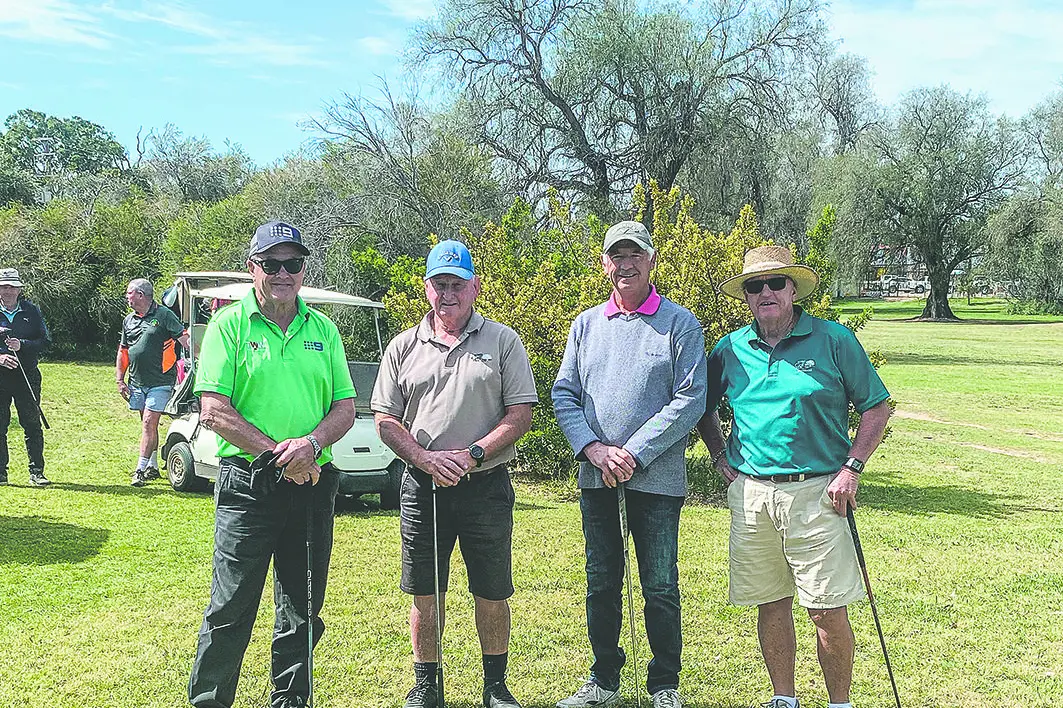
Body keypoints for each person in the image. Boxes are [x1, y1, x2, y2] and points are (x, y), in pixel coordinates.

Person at [695, 245, 891, 708]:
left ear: (792, 290)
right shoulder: (730, 348)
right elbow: (701, 406)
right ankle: (784, 698)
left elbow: (876, 407)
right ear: (745, 296)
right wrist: (719, 453)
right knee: (770, 602)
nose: (765, 292)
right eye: (754, 286)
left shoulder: (834, 339)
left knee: (826, 607)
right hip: (752, 497)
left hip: (819, 492)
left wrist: (852, 468)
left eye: (775, 283)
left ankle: (838, 703)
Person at [188, 220, 357, 708]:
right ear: (252, 268)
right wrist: (279, 455)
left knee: (303, 609)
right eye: (273, 263)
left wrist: (310, 443)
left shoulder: (324, 330)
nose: (284, 273)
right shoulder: (228, 325)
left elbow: (345, 408)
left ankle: (290, 701)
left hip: (312, 485)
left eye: (294, 263)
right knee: (231, 608)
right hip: (249, 486)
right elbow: (214, 409)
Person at [372, 239, 538, 708]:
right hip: (422, 487)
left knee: (492, 589)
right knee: (425, 590)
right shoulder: (404, 346)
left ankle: (495, 686)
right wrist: (425, 460)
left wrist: (474, 454)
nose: (449, 294)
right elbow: (385, 419)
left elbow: (521, 413)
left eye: (458, 284)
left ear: (475, 287)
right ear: (427, 288)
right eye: (440, 284)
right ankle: (428, 685)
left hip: (484, 484)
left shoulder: (503, 341)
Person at [552, 221, 707, 708]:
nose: (626, 264)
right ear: (605, 264)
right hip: (597, 477)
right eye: (616, 256)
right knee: (601, 580)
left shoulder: (680, 324)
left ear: (651, 261)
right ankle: (604, 680)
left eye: (635, 254)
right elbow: (564, 394)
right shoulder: (585, 324)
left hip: (656, 482)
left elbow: (690, 400)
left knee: (659, 584)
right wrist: (596, 450)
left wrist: (633, 452)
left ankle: (664, 685)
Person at [116, 278, 190, 486]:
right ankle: (153, 466)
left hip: (161, 380)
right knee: (148, 425)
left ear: (140, 295)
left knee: (149, 422)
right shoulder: (128, 320)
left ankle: (139, 470)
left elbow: (183, 338)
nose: (126, 296)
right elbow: (123, 351)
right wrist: (120, 379)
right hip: (137, 381)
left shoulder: (164, 315)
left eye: (129, 292)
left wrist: (198, 349)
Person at [0, 268, 52, 487]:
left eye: (12, 286)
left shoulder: (32, 311)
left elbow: (46, 342)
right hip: (1, 378)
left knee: (31, 424)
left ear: (19, 289)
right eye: (4, 286)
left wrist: (23, 345)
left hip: (27, 376)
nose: (8, 291)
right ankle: (1, 473)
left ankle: (36, 472)